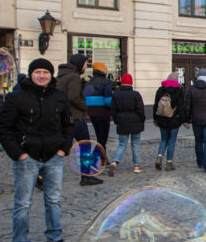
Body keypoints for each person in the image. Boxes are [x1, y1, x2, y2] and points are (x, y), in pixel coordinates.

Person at [0, 58, 75, 242]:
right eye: (38, 72)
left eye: (46, 72)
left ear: (51, 75)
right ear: (31, 74)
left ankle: (55, 238)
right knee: (23, 203)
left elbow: (68, 124)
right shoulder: (16, 98)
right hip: (28, 157)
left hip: (54, 156)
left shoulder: (59, 96)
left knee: (54, 200)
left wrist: (63, 149)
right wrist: (19, 154)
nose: (42, 76)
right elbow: (3, 129)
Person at [56, 54, 101, 187]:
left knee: (59, 147)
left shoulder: (62, 76)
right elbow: (73, 97)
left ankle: (41, 176)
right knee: (85, 146)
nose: (85, 67)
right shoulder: (74, 77)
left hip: (64, 117)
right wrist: (84, 107)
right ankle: (86, 176)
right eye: (85, 64)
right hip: (75, 117)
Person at [108, 74, 145, 174]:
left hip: (122, 122)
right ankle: (137, 166)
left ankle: (115, 162)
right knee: (135, 144)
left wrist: (117, 120)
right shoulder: (136, 94)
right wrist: (142, 119)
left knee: (122, 144)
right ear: (131, 83)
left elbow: (113, 111)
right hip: (135, 122)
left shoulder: (116, 94)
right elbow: (140, 110)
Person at [153, 73, 184, 170]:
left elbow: (155, 106)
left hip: (162, 119)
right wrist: (183, 119)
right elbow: (181, 107)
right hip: (174, 120)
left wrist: (155, 118)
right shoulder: (179, 91)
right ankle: (169, 164)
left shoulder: (160, 90)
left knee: (163, 139)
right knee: (172, 141)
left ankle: (159, 156)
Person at [84, 61, 113, 160]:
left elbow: (86, 99)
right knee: (102, 138)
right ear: (102, 70)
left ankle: (104, 158)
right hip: (103, 112)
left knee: (99, 136)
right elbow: (108, 100)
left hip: (92, 113)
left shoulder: (89, 82)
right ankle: (94, 158)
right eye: (105, 69)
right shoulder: (106, 82)